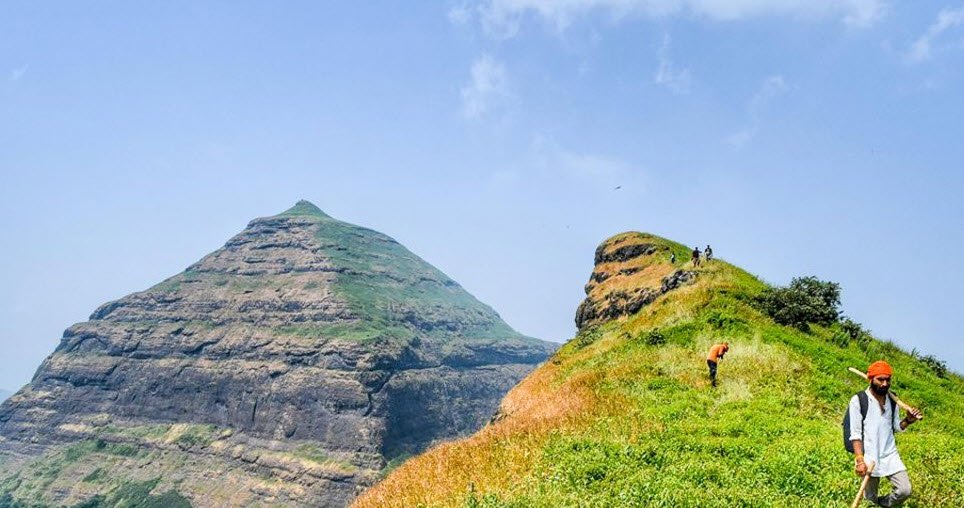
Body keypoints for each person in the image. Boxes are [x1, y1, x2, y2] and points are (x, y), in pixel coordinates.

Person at [848, 361, 923, 507]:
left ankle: (884, 504)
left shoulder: (892, 400)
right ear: (871, 379)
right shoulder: (859, 400)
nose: (884, 384)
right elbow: (855, 433)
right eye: (880, 379)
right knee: (869, 499)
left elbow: (896, 427)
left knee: (904, 490)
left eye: (887, 380)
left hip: (889, 454)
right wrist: (860, 460)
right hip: (869, 456)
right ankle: (874, 504)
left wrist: (908, 420)